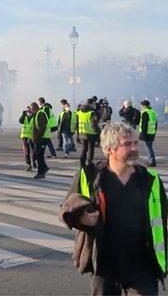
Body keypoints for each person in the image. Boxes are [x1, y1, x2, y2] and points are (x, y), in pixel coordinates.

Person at [60, 122, 167, 295]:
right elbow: (66, 209)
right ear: (109, 149)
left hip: (142, 266)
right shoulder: (88, 176)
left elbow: (163, 216)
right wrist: (81, 218)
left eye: (135, 143)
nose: (135, 148)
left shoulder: (150, 178)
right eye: (127, 144)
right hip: (104, 266)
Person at [77, 98, 100, 168]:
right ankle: (89, 164)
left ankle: (82, 164)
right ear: (91, 104)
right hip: (91, 133)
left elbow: (77, 123)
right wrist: (99, 132)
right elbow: (94, 124)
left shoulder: (79, 112)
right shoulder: (91, 113)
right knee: (91, 149)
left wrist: (78, 134)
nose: (94, 105)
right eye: (93, 103)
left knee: (84, 149)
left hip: (82, 133)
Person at [31, 102, 50, 179]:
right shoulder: (36, 114)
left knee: (39, 156)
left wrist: (36, 137)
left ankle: (41, 172)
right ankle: (44, 168)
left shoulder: (40, 114)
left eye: (31, 109)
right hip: (39, 138)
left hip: (42, 138)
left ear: (33, 108)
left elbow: (42, 128)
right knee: (39, 155)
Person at [139, 100, 158, 167]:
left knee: (148, 147)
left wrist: (142, 134)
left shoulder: (145, 113)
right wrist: (154, 132)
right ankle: (152, 160)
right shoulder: (152, 112)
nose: (140, 107)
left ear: (144, 106)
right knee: (149, 146)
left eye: (141, 105)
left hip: (146, 133)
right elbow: (155, 123)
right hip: (151, 132)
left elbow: (144, 125)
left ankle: (152, 161)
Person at [19, 104, 36, 172]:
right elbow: (20, 121)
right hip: (24, 136)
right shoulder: (24, 117)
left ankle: (34, 160)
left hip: (32, 136)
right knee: (26, 151)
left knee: (34, 151)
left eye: (29, 110)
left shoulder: (34, 117)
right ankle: (29, 165)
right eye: (27, 110)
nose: (28, 112)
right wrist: (23, 114)